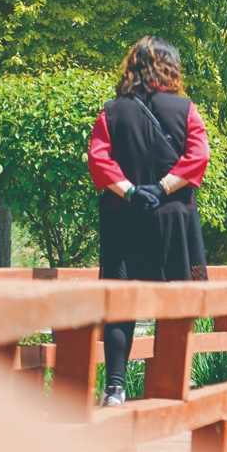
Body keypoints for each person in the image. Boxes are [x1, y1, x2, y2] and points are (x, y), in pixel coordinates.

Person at [87, 36, 211, 406]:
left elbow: (99, 159)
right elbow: (198, 156)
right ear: (171, 67)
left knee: (120, 302)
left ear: (132, 67)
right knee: (175, 299)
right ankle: (171, 386)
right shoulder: (186, 109)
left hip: (122, 219)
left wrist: (130, 192)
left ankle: (115, 388)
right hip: (174, 218)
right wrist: (161, 188)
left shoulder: (111, 112)